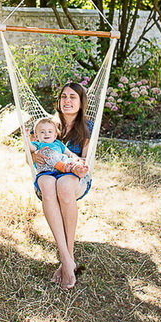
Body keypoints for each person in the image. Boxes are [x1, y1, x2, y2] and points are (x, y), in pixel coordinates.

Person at [32, 82, 94, 290]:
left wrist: (77, 165)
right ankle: (67, 260)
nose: (67, 100)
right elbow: (31, 152)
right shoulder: (48, 123)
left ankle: (67, 258)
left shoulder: (88, 126)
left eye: (73, 97)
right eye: (64, 96)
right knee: (49, 185)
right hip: (48, 173)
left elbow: (85, 160)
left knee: (64, 186)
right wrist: (33, 154)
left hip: (75, 176)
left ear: (81, 102)